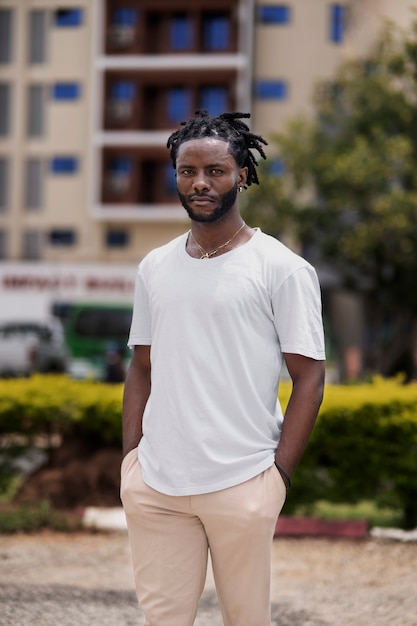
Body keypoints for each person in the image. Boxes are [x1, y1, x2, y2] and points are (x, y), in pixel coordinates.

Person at [120, 110, 326, 626]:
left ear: (242, 175)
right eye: (187, 171)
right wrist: (132, 463)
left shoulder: (282, 268)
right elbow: (141, 367)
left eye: (214, 170)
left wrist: (276, 477)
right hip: (158, 485)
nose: (200, 183)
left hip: (244, 481)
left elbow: (309, 376)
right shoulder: (155, 266)